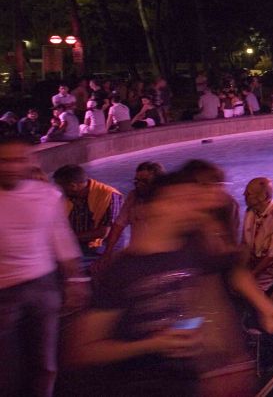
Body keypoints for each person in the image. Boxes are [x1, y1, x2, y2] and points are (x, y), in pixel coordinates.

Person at [64, 168, 273, 396]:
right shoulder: (123, 271)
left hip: (190, 381)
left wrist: (262, 308)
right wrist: (151, 344)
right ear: (154, 208)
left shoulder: (193, 251)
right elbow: (83, 349)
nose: (190, 209)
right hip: (140, 384)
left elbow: (228, 275)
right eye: (180, 201)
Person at [0, 138, 86, 397]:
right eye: (5, 160)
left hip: (42, 286)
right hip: (3, 292)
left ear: (31, 162)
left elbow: (61, 238)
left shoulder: (47, 195)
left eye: (19, 159)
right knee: (7, 369)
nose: (12, 166)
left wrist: (76, 280)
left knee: (45, 365)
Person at [94, 162, 166, 271]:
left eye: (145, 181)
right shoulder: (134, 197)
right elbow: (118, 225)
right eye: (136, 181)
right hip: (137, 254)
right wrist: (107, 253)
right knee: (97, 268)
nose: (139, 184)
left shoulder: (168, 200)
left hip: (162, 255)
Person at [52, 165, 123, 260]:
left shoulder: (110, 196)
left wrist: (66, 239)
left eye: (60, 187)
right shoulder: (67, 197)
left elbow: (102, 233)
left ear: (73, 186)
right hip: (79, 243)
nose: (58, 191)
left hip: (104, 246)